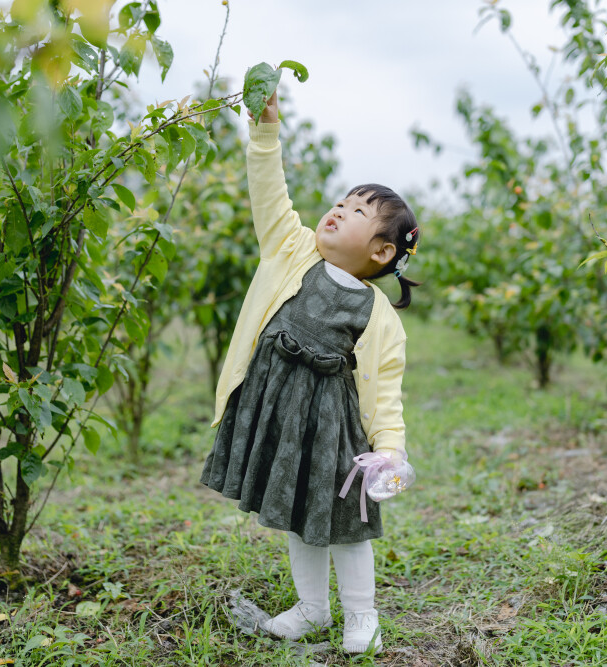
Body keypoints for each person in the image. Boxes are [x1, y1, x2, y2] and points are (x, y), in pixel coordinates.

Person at [199, 88, 420, 655]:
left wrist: (389, 449)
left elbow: (385, 391)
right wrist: (266, 134)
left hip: (334, 431)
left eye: (358, 212)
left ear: (380, 254)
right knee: (299, 519)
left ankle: (361, 616)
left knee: (345, 524)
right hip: (281, 416)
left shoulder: (378, 316)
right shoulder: (292, 251)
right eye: (342, 201)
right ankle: (312, 608)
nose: (340, 209)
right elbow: (269, 194)